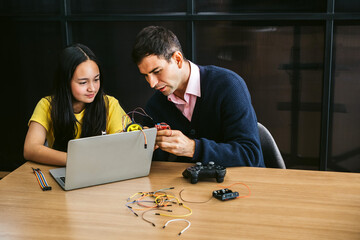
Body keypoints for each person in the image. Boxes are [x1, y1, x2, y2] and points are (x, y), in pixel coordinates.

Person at [132, 26, 265, 167]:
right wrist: (146, 149)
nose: (152, 83)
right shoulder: (155, 106)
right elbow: (153, 165)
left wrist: (193, 148)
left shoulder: (228, 86)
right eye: (146, 76)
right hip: (189, 187)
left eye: (157, 71)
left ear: (177, 59)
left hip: (244, 184)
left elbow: (250, 155)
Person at [24, 43, 128, 166]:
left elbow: (124, 146)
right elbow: (30, 149)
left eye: (96, 79)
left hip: (102, 171)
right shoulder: (47, 105)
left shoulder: (110, 104)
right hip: (64, 171)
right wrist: (78, 160)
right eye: (83, 82)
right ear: (66, 82)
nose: (92, 88)